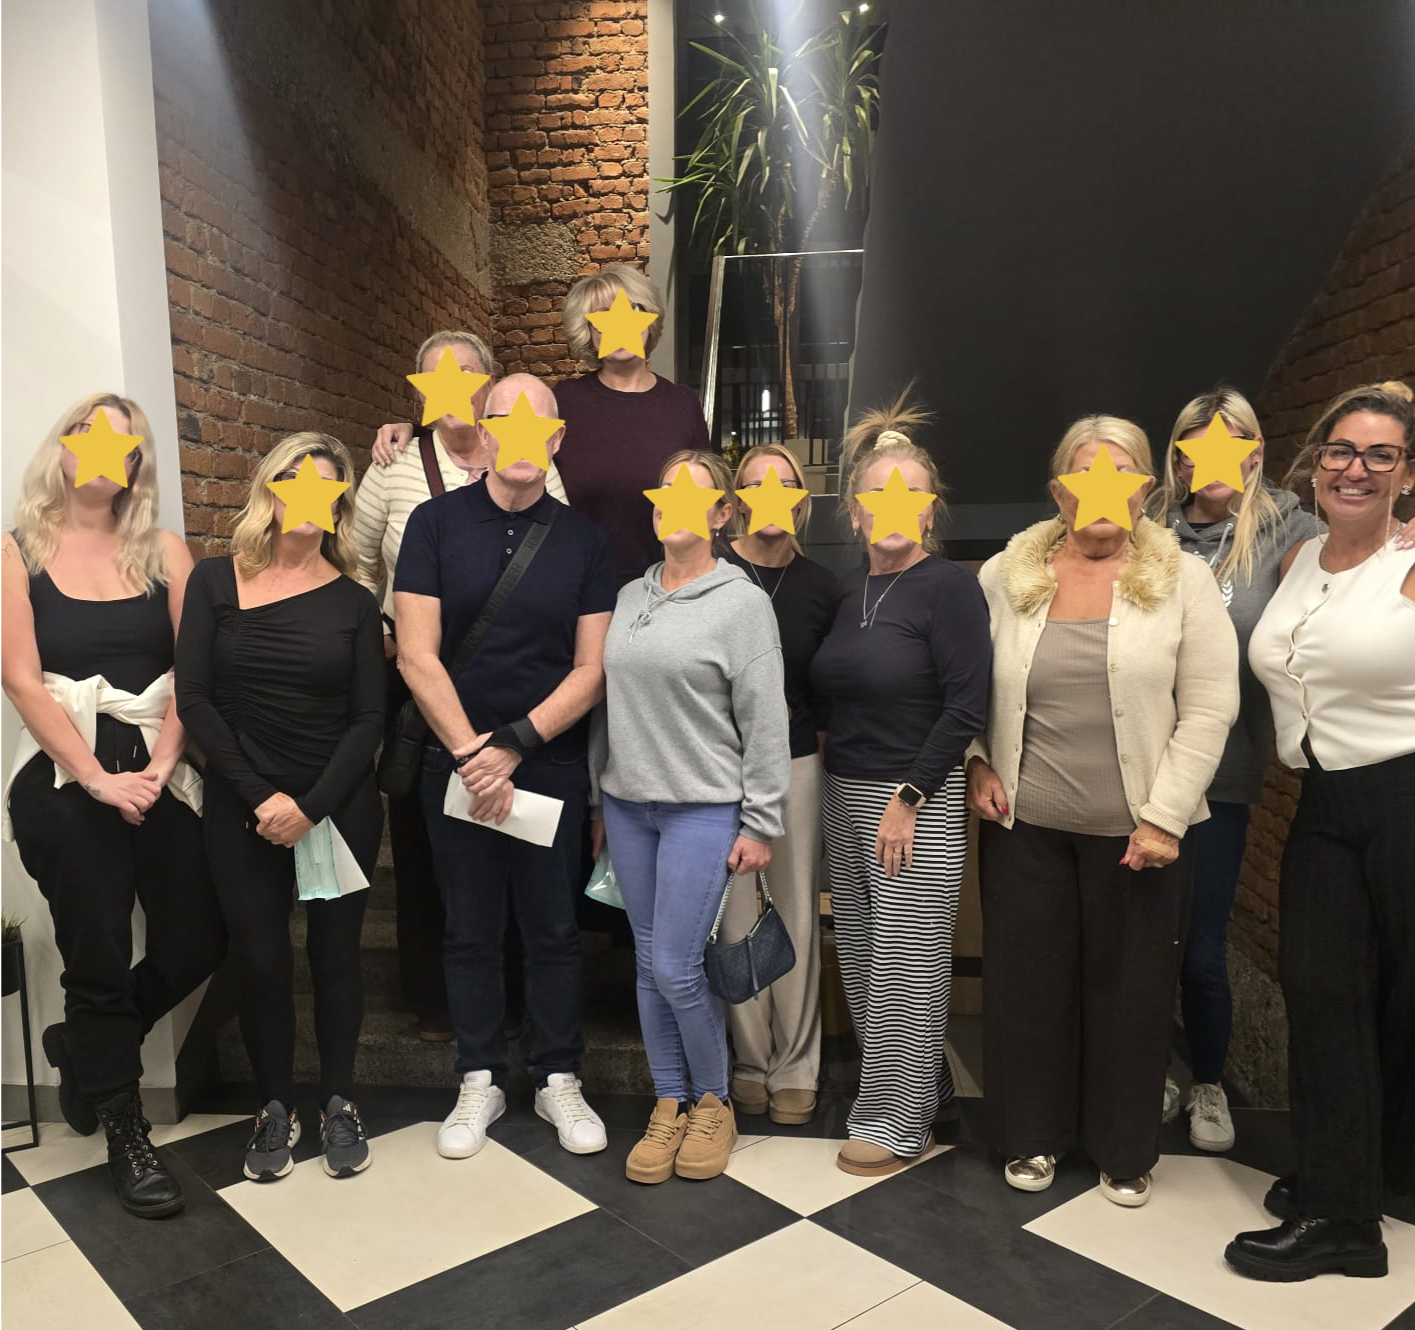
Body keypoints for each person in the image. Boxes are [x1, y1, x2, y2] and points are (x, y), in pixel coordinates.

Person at [966, 414, 1238, 1208]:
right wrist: (977, 758)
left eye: (1122, 474)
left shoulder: (1182, 580)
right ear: (1056, 490)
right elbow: (965, 685)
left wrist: (1165, 815)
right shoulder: (1003, 576)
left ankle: (1122, 1149)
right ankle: (1030, 1138)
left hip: (1140, 831)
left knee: (1130, 991)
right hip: (1027, 824)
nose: (1102, 491)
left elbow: (1210, 706)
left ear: (1147, 489)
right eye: (1084, 475)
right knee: (1027, 988)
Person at [1, 393, 225, 1218]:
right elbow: (22, 680)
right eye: (88, 435)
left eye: (121, 443)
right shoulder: (16, 552)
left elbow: (193, 672)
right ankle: (124, 1127)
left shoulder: (163, 549)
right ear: (62, 445)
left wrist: (161, 766)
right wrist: (96, 778)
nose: (102, 453)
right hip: (66, 778)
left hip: (157, 767)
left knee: (203, 931)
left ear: (136, 463)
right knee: (94, 944)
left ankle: (85, 1047)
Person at [394, 373, 616, 1162]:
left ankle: (559, 1077)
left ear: (556, 441)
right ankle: (478, 1076)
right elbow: (415, 653)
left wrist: (515, 743)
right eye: (505, 421)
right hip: (453, 762)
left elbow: (592, 669)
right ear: (482, 433)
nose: (521, 436)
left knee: (553, 930)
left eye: (539, 425)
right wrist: (469, 754)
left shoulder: (586, 541)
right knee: (470, 927)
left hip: (547, 762)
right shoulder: (432, 524)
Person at [1229, 380, 1415, 1282]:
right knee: (1320, 991)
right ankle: (1344, 1177)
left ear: (1404, 474)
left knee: (1392, 999)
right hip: (1323, 802)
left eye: (1380, 454)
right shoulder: (1300, 560)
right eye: (1340, 450)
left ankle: (1350, 1214)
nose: (1354, 467)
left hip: (1405, 796)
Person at [176, 433, 384, 1183]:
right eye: (294, 478)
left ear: (338, 506)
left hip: (336, 806)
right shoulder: (213, 584)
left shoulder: (355, 603)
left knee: (334, 960)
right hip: (242, 804)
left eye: (325, 485)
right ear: (269, 488)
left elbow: (369, 721)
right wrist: (264, 796)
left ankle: (339, 1100)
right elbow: (193, 699)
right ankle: (274, 1105)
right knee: (260, 959)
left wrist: (311, 806)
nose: (307, 494)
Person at [356, 331, 565, 1042]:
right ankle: (436, 1001)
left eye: (467, 373)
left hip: (513, 683)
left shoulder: (526, 450)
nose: (453, 384)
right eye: (436, 376)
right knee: (424, 846)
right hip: (421, 679)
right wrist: (380, 633)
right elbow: (357, 560)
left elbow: (555, 542)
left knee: (513, 840)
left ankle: (508, 998)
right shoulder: (393, 464)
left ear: (489, 386)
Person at [592, 449, 789, 1184]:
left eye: (692, 493)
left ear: (719, 515)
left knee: (675, 964)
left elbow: (765, 719)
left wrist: (761, 822)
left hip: (703, 808)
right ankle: (669, 1099)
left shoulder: (741, 604)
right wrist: (598, 802)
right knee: (648, 962)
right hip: (627, 805)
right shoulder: (627, 597)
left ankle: (714, 1100)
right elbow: (608, 711)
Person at [809, 399, 992, 1177]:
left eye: (907, 496)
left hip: (908, 800)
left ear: (927, 511)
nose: (890, 510)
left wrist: (911, 796)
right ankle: (929, 1087)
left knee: (906, 968)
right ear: (855, 512)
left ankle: (895, 1122)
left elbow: (967, 704)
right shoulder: (849, 594)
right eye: (876, 495)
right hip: (841, 796)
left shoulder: (948, 588)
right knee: (861, 958)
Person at [1149, 387, 1318, 1151]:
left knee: (1203, 943)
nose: (1210, 457)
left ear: (1254, 450)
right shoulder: (1146, 532)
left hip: (1223, 772)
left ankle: (1208, 1080)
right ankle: (1145, 1064)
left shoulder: (1290, 533)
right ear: (1177, 455)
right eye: (1194, 441)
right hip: (1136, 771)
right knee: (1142, 937)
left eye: (1229, 439)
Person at [369, 266, 710, 586]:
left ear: (651, 318)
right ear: (588, 330)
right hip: (575, 584)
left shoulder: (682, 404)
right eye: (601, 315)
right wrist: (419, 431)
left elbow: (705, 496)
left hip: (666, 583)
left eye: (632, 309)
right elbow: (494, 439)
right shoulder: (563, 401)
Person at [721, 444, 837, 1125]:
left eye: (784, 481)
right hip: (718, 768)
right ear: (732, 498)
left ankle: (795, 1062)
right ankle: (748, 1059)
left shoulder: (823, 586)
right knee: (734, 920)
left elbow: (828, 691)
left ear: (801, 499)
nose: (770, 490)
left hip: (795, 764)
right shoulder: (711, 574)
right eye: (754, 481)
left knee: (793, 908)